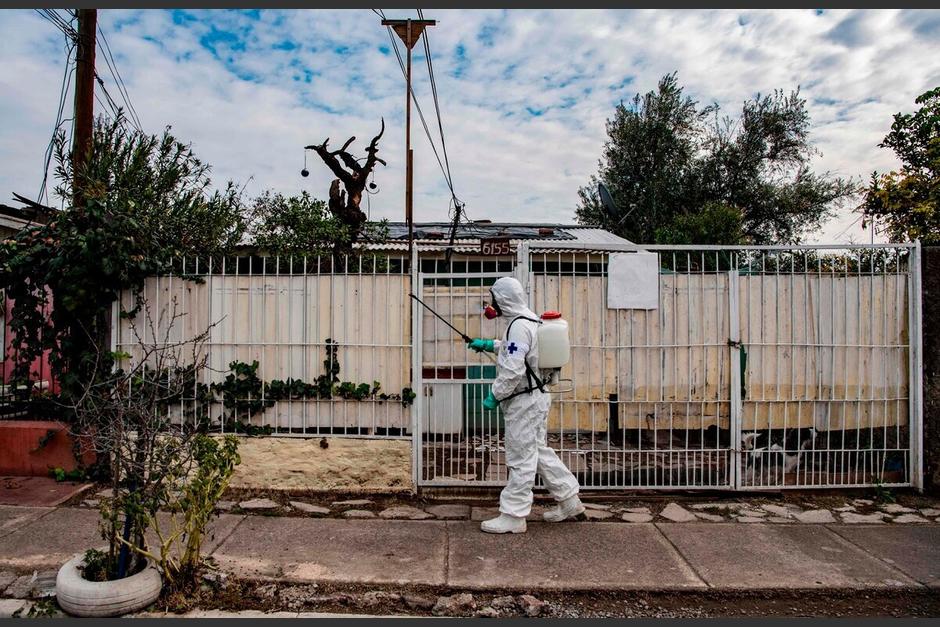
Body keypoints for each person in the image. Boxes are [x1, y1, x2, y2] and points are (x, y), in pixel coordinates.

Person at [468, 276, 583, 533]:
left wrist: (494, 395)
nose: (492, 304)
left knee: (520, 457)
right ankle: (569, 500)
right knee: (538, 452)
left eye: (494, 298)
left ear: (503, 299)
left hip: (524, 400)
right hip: (537, 397)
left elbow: (512, 369)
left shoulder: (518, 325)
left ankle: (514, 515)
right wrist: (489, 344)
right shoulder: (530, 319)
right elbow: (519, 350)